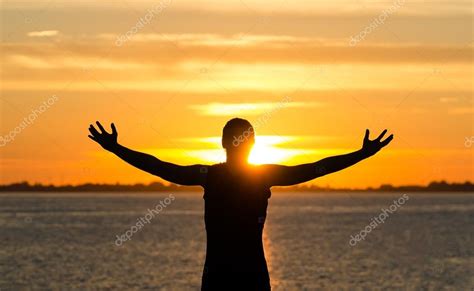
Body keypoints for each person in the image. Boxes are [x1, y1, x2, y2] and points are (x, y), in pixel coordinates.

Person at [88, 118, 393, 290]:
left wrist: (116, 149)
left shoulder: (233, 175)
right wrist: (117, 149)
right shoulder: (224, 175)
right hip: (234, 278)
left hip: (238, 278)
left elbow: (317, 167)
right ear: (248, 144)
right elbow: (160, 166)